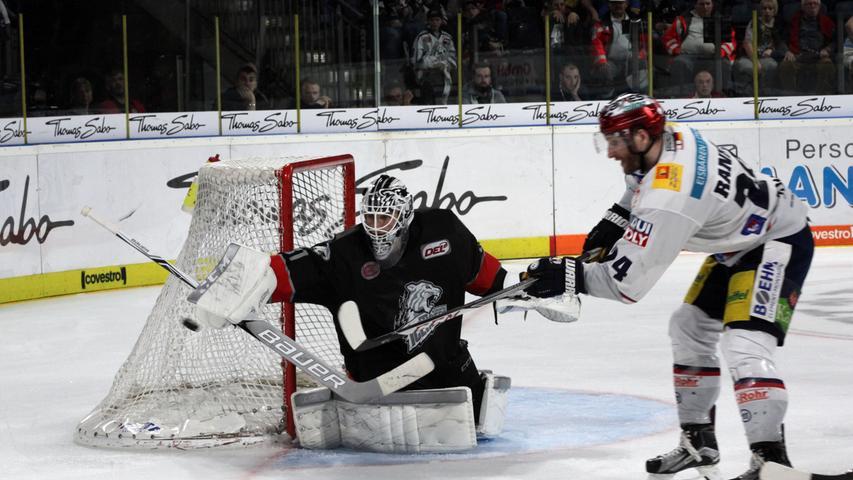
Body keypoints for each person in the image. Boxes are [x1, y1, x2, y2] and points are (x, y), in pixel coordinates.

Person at [516, 93, 812, 480]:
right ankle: (698, 442)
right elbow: (640, 186)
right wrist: (617, 217)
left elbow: (626, 285)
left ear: (641, 137)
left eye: (616, 141)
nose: (610, 152)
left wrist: (569, 276)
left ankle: (771, 462)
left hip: (776, 241)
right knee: (688, 326)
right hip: (741, 240)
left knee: (746, 346)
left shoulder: (670, 198)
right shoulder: (672, 135)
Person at [190, 174, 511, 449]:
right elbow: (288, 269)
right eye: (369, 218)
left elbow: (491, 279)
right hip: (379, 387)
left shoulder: (445, 233)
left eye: (383, 219)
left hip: (449, 374)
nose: (375, 228)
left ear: (405, 218)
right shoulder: (346, 253)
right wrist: (240, 285)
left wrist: (529, 290)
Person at [661, 0, 735, 97]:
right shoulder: (683, 19)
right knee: (679, 63)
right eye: (701, 4)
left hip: (713, 56)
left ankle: (721, 96)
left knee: (724, 64)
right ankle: (681, 97)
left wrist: (721, 52)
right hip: (687, 56)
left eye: (708, 4)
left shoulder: (720, 20)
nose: (705, 7)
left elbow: (730, 41)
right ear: (695, 5)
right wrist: (676, 50)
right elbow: (668, 38)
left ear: (712, 5)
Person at [589, 0, 648, 98]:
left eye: (620, 3)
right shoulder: (602, 22)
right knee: (604, 70)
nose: (618, 5)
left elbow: (644, 41)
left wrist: (640, 56)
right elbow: (596, 42)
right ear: (609, 5)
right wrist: (602, 61)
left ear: (626, 4)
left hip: (631, 61)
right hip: (611, 61)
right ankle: (606, 100)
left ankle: (641, 98)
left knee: (642, 66)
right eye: (614, 3)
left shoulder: (635, 20)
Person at [778, 0, 835, 95]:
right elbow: (781, 41)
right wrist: (787, 51)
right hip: (797, 56)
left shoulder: (827, 22)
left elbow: (836, 41)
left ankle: (820, 97)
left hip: (818, 57)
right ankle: (792, 96)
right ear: (803, 7)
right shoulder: (793, 21)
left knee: (828, 66)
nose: (812, 6)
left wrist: (828, 49)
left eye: (815, 3)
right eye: (809, 4)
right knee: (785, 66)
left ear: (820, 6)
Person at [732, 0, 785, 96]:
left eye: (770, 8)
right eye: (764, 8)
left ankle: (765, 96)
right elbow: (747, 43)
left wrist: (773, 51)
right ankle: (745, 96)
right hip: (750, 56)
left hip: (768, 57)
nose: (767, 11)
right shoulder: (754, 22)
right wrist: (755, 61)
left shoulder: (779, 25)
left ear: (775, 11)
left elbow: (782, 44)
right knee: (744, 67)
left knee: (771, 66)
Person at [412, 9, 457, 105]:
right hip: (427, 74)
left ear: (441, 21)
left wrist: (446, 64)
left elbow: (453, 58)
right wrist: (435, 64)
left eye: (437, 20)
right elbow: (417, 61)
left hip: (445, 74)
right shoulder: (421, 37)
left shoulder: (447, 38)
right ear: (428, 21)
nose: (435, 23)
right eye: (432, 20)